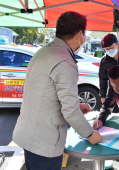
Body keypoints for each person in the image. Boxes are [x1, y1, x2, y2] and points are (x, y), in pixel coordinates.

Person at [12, 11, 103, 170]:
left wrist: (75, 105)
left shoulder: (44, 51)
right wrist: (91, 134)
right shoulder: (65, 61)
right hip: (44, 143)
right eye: (85, 35)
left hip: (30, 135)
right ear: (79, 34)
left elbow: (45, 93)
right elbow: (71, 112)